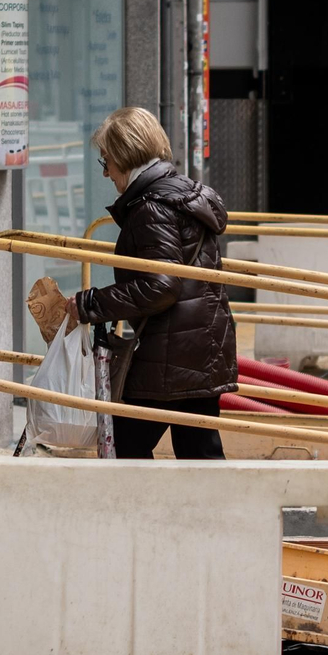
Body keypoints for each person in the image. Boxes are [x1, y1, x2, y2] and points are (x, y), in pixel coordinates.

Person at [65, 107, 236, 458]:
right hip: (200, 346)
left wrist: (90, 304)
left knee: (126, 447)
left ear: (125, 156)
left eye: (107, 162)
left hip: (170, 355)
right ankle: (210, 513)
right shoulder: (181, 194)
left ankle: (142, 514)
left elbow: (160, 285)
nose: (107, 173)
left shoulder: (151, 207)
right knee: (200, 453)